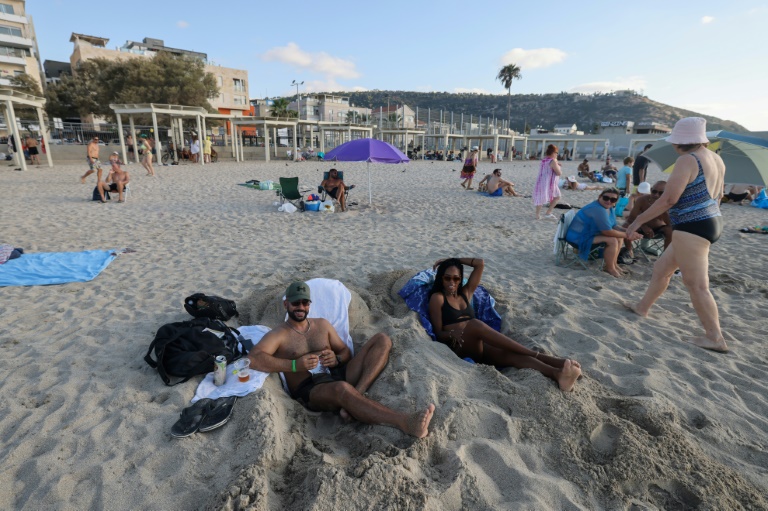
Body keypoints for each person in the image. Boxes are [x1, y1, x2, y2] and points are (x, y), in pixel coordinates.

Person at [248, 282, 435, 438]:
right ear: (286, 305)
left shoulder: (322, 324)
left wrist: (336, 359)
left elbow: (345, 351)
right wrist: (295, 364)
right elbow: (255, 359)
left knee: (382, 340)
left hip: (337, 374)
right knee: (342, 389)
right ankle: (404, 422)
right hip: (310, 388)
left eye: (305, 303)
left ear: (309, 304)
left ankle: (357, 396)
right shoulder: (279, 335)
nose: (300, 307)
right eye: (296, 303)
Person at [626, 117, 728, 352]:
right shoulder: (716, 158)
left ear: (678, 142)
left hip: (693, 226)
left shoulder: (687, 160)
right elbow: (719, 195)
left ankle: (715, 337)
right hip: (710, 221)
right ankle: (642, 307)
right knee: (662, 269)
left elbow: (669, 199)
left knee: (697, 284)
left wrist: (637, 220)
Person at [428, 258, 582, 391]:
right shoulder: (438, 298)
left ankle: (558, 374)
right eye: (447, 278)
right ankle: (546, 357)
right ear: (441, 278)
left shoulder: (466, 293)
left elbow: (480, 263)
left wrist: (453, 260)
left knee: (513, 356)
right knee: (475, 324)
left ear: (461, 279)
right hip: (459, 347)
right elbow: (438, 334)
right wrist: (450, 334)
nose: (451, 282)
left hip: (479, 346)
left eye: (456, 278)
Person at [566, 187, 643, 277]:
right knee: (612, 240)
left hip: (589, 234)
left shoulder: (609, 208)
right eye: (606, 198)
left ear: (616, 201)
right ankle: (609, 268)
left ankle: (614, 265)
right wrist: (629, 235)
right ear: (600, 197)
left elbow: (614, 226)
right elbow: (607, 232)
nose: (609, 201)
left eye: (613, 199)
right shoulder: (598, 209)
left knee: (619, 237)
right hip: (578, 238)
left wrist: (629, 231)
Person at [622, 181, 672, 258]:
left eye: (661, 193)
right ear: (651, 190)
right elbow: (631, 218)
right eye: (654, 191)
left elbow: (670, 224)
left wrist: (663, 209)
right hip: (641, 227)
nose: (656, 195)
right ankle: (629, 250)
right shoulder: (642, 200)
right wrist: (643, 226)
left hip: (659, 229)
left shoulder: (669, 203)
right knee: (626, 225)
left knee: (670, 230)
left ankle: (665, 255)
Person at [533, 144, 562, 219]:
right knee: (557, 196)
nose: (557, 154)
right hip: (549, 183)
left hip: (541, 180)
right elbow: (559, 173)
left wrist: (556, 162)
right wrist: (558, 165)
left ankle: (537, 214)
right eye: (556, 153)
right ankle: (548, 212)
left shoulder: (544, 159)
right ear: (553, 153)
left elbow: (549, 166)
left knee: (540, 197)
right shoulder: (552, 161)